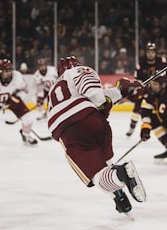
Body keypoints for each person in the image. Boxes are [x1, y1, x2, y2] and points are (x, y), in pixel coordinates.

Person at [47, 56, 146, 215]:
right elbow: (99, 98)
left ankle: (121, 174)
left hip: (71, 131)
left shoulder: (57, 86)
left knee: (96, 176)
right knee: (106, 166)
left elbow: (97, 97)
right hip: (98, 124)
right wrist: (121, 91)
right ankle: (119, 196)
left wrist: (108, 97)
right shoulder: (76, 75)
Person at [126, 42, 167, 136]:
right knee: (137, 109)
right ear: (146, 53)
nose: (150, 54)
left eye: (152, 52)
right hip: (145, 91)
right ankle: (132, 127)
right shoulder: (141, 65)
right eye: (149, 52)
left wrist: (164, 83)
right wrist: (139, 87)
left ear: (155, 53)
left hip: (158, 91)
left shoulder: (162, 62)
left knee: (165, 108)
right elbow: (137, 80)